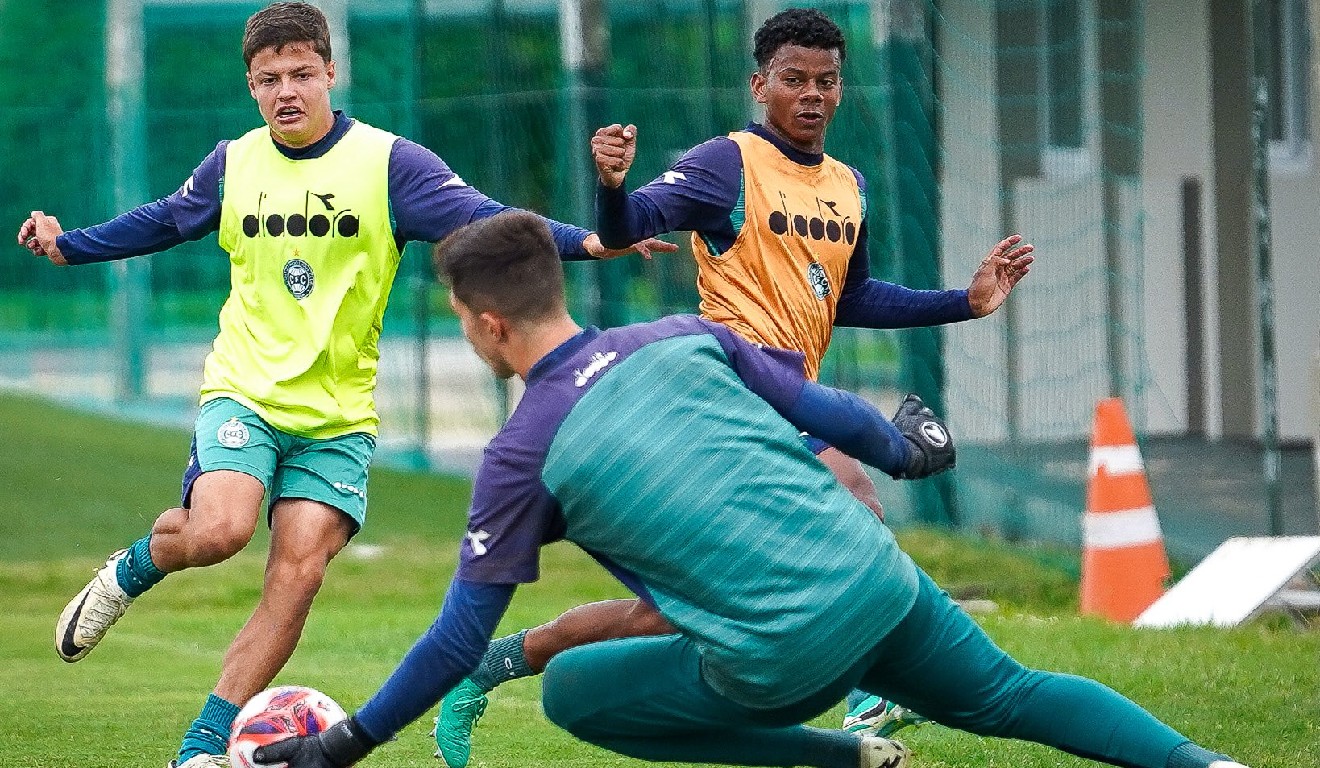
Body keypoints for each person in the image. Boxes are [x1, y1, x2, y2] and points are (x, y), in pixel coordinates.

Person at [251, 209, 1247, 768]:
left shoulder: (519, 458)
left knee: (571, 693)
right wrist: (906, 454)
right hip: (880, 577)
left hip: (781, 665)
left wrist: (344, 744)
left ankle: (830, 759)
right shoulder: (685, 337)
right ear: (550, 293)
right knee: (1012, 696)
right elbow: (842, 416)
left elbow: (461, 639)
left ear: (483, 323)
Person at [16, 4, 667, 768]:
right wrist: (70, 247)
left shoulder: (391, 165)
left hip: (337, 414)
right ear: (251, 87)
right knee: (220, 530)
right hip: (246, 389)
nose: (286, 91)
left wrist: (593, 240)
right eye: (269, 80)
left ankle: (201, 747)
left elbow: (490, 221)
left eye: (300, 74)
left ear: (332, 72)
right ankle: (133, 569)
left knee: (299, 571)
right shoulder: (234, 163)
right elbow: (163, 220)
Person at [431, 8, 1033, 764]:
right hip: (726, 394)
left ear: (841, 90)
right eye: (793, 80)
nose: (811, 95)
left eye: (827, 82)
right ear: (760, 85)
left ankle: (493, 663)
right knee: (855, 498)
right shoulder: (727, 163)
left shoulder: (850, 185)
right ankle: (870, 697)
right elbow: (626, 229)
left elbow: (852, 297)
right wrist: (612, 187)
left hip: (790, 395)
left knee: (672, 616)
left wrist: (964, 303)